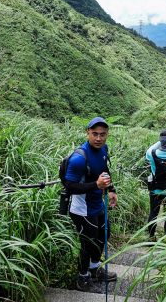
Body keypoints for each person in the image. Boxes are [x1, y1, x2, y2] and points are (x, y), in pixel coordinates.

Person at [65, 117, 118, 291]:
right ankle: (82, 276)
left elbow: (104, 169)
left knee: (104, 234)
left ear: (107, 135)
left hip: (97, 203)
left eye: (102, 134)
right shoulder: (79, 158)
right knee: (88, 242)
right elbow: (69, 186)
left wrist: (111, 189)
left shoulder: (104, 149)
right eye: (94, 134)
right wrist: (96, 185)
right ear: (87, 132)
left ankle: (94, 270)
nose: (98, 138)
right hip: (81, 208)